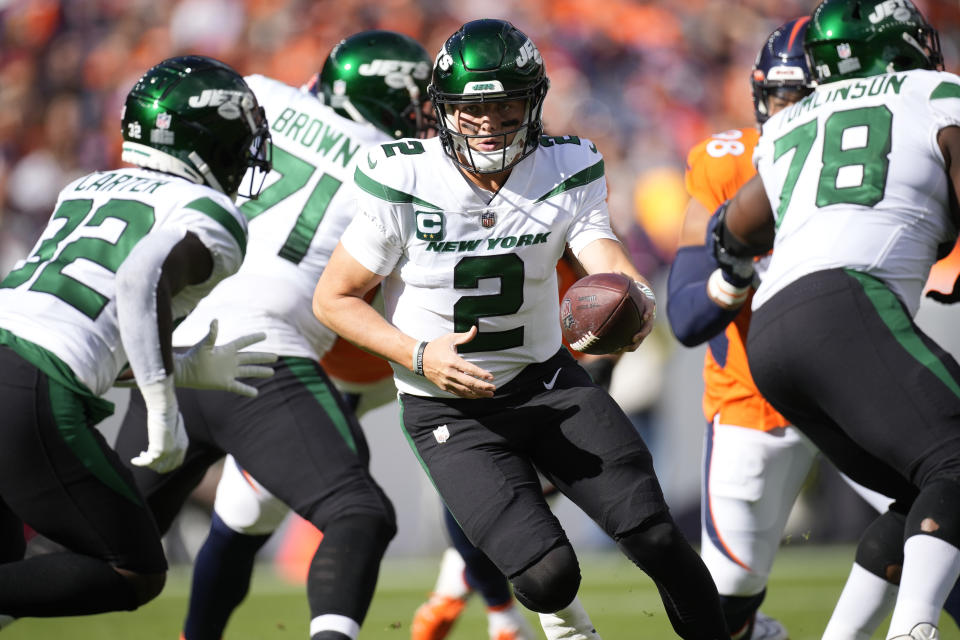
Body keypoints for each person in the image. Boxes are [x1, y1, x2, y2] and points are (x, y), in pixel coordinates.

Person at [313, 18, 730, 640]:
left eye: (503, 105)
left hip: (548, 383)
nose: (485, 122)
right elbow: (334, 298)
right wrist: (418, 354)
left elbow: (603, 256)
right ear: (442, 110)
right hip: (449, 409)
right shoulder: (404, 177)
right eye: (470, 108)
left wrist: (630, 296)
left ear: (532, 103)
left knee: (656, 535)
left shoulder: (566, 164)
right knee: (547, 577)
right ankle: (567, 627)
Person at [111, 31, 433, 640]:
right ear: (388, 99)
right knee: (354, 510)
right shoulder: (398, 170)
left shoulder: (255, 95)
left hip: (174, 342)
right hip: (265, 356)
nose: (423, 120)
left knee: (104, 558)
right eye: (416, 104)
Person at [0, 55, 274, 625]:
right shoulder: (211, 212)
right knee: (134, 567)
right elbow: (138, 279)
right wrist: (163, 405)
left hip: (17, 351)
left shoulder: (85, 186)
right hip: (31, 384)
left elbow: (80, 321)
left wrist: (183, 364)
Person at [715, 1, 960, 638]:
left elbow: (735, 227)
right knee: (957, 461)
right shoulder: (937, 93)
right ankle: (916, 630)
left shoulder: (794, 119)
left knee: (919, 495)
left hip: (772, 333)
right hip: (846, 305)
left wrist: (735, 267)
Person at [666, 18, 814, 640]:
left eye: (810, 94)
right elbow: (688, 315)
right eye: (785, 96)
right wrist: (734, 276)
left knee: (937, 529)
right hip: (754, 403)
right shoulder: (726, 164)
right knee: (721, 611)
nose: (797, 111)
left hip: (858, 391)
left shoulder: (893, 156)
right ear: (761, 97)